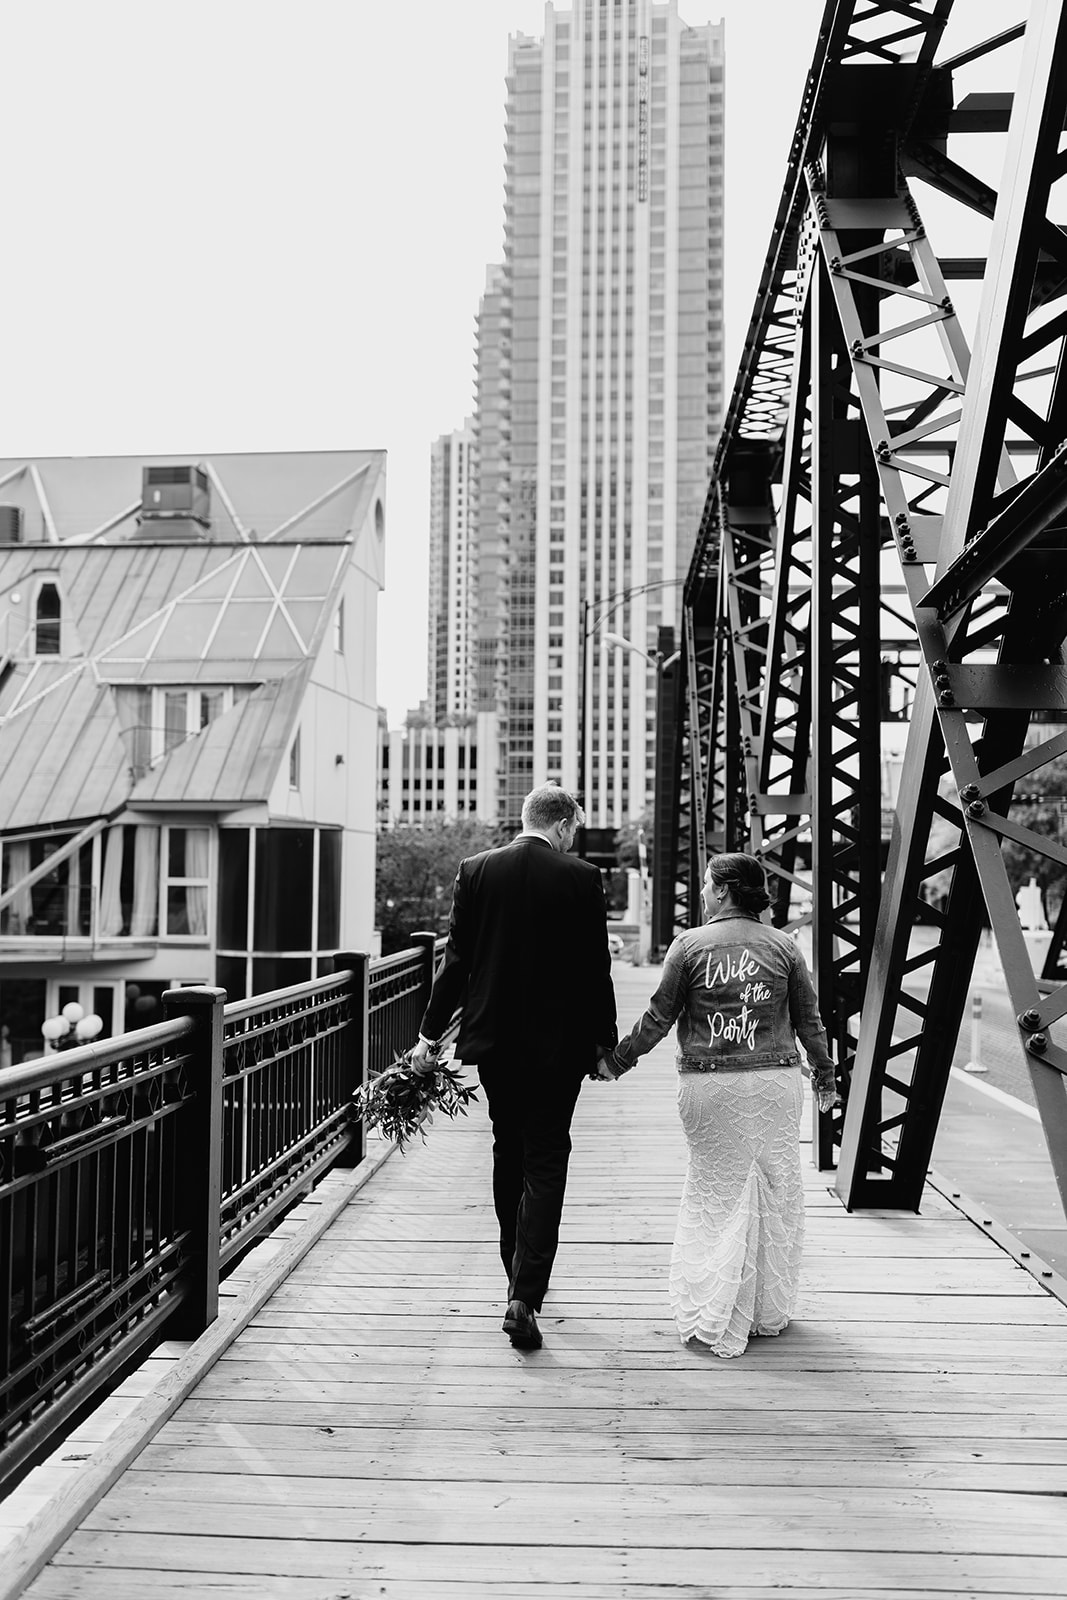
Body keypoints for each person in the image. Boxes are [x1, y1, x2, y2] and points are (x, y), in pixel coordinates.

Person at [602, 851, 839, 1358]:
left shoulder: (689, 945)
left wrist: (618, 1060)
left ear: (726, 890)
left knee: (714, 1195)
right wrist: (825, 1074)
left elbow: (659, 1017)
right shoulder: (785, 947)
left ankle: (716, 1301)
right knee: (773, 1191)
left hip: (709, 1087)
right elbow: (810, 1021)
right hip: (774, 1085)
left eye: (709, 885)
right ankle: (762, 1307)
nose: (704, 893)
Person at [410, 785, 618, 1351]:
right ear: (563, 824)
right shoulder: (581, 877)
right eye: (574, 829)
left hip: (495, 1044)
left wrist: (429, 1035)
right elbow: (595, 967)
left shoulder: (476, 870)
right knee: (546, 1158)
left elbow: (456, 961)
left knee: (508, 1151)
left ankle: (514, 1282)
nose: (573, 839)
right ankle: (525, 1294)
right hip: (560, 1049)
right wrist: (604, 1044)